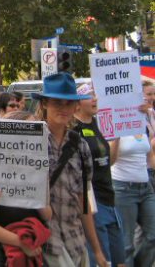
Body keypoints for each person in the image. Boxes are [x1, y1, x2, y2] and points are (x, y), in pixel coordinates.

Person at [32, 73, 107, 267]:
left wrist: (97, 250)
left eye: (69, 103)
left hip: (75, 242)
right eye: (58, 102)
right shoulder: (30, 141)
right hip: (42, 241)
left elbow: (84, 202)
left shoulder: (80, 145)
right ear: (45, 104)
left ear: (76, 106)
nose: (63, 109)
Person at [0, 111, 52, 266]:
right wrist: (21, 243)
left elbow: (47, 214)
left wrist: (37, 197)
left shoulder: (38, 169)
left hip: (31, 246)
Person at [72, 84, 125, 267]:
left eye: (95, 95)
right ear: (77, 104)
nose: (95, 99)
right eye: (89, 96)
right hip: (92, 202)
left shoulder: (97, 124)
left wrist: (117, 138)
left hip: (109, 197)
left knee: (120, 261)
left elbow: (109, 161)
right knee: (103, 261)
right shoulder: (73, 130)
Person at [110, 111, 155, 266]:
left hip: (145, 186)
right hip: (123, 188)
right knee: (126, 243)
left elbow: (149, 157)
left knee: (152, 235)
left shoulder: (141, 124)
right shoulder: (114, 124)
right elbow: (110, 159)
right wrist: (116, 136)